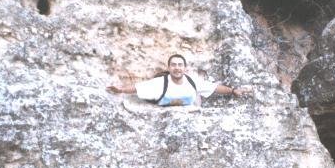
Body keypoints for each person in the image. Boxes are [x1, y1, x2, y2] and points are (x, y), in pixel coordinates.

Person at [107, 54, 251, 107]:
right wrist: (121, 90)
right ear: (169, 68)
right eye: (174, 65)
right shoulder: (160, 83)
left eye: (180, 65)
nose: (177, 68)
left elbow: (214, 88)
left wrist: (232, 91)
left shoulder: (193, 82)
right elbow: (139, 87)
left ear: (184, 68)